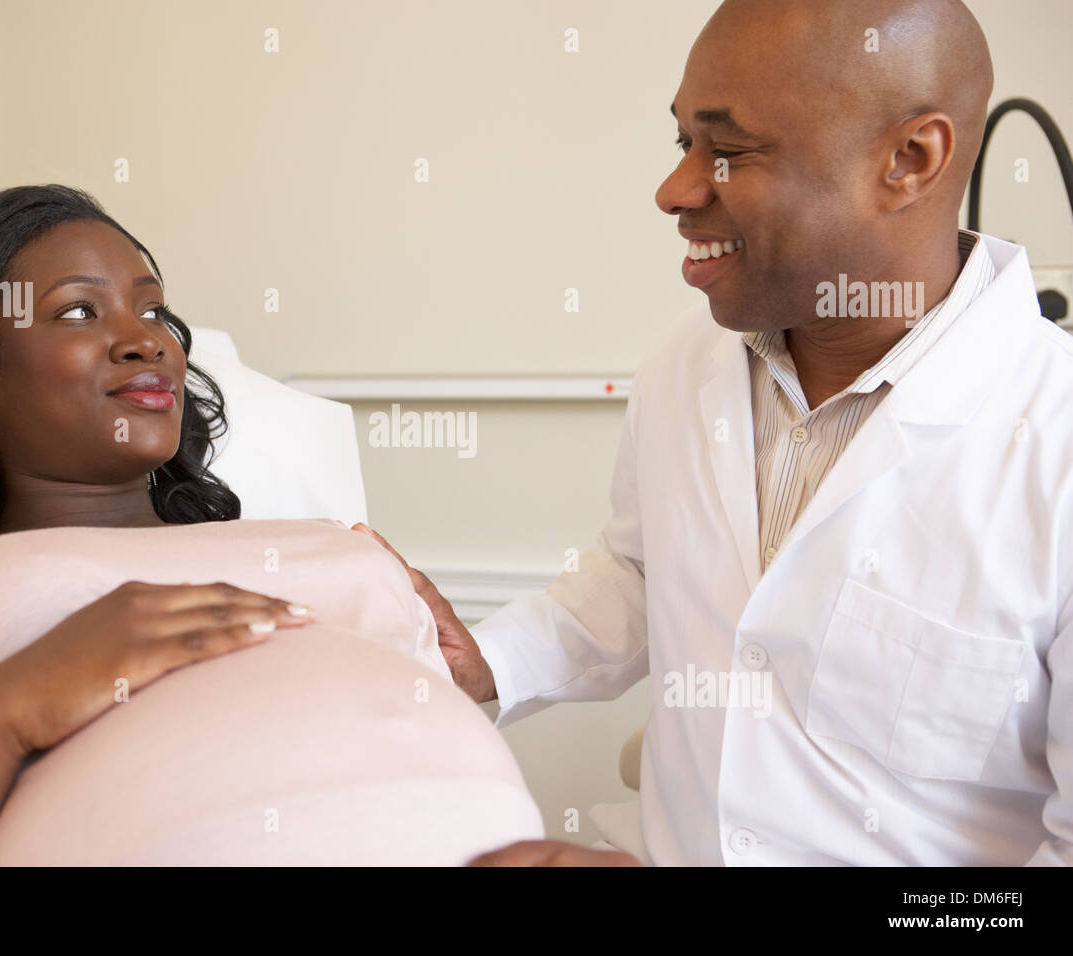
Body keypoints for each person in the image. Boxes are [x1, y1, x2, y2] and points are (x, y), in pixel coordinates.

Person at [361, 0, 1073, 865]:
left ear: (908, 161)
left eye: (729, 152)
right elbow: (639, 572)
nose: (676, 191)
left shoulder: (1053, 446)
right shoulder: (689, 363)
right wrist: (491, 662)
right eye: (683, 144)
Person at [0, 184, 543, 866]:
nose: (149, 341)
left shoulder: (336, 542)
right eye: (78, 310)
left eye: (153, 310)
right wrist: (2, 715)